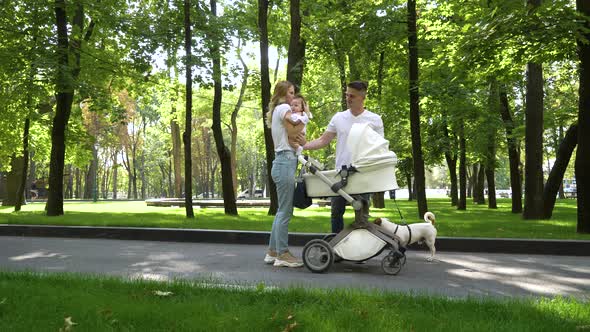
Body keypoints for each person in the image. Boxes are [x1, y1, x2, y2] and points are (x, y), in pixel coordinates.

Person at [302, 81, 384, 233]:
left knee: (361, 216)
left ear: (362, 97)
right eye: (347, 95)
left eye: (352, 95)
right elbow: (323, 140)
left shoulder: (374, 119)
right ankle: (335, 248)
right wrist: (303, 146)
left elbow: (380, 149)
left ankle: (359, 249)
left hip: (363, 174)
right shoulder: (339, 118)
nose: (348, 98)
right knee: (336, 213)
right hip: (340, 173)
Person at [263, 80, 304, 268]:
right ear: (281, 94)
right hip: (285, 161)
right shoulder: (284, 107)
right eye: (289, 92)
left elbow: (293, 133)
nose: (292, 97)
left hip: (282, 162)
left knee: (281, 210)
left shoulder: (277, 110)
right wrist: (304, 120)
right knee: (285, 211)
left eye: (293, 92)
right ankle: (283, 254)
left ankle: (272, 251)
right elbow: (294, 130)